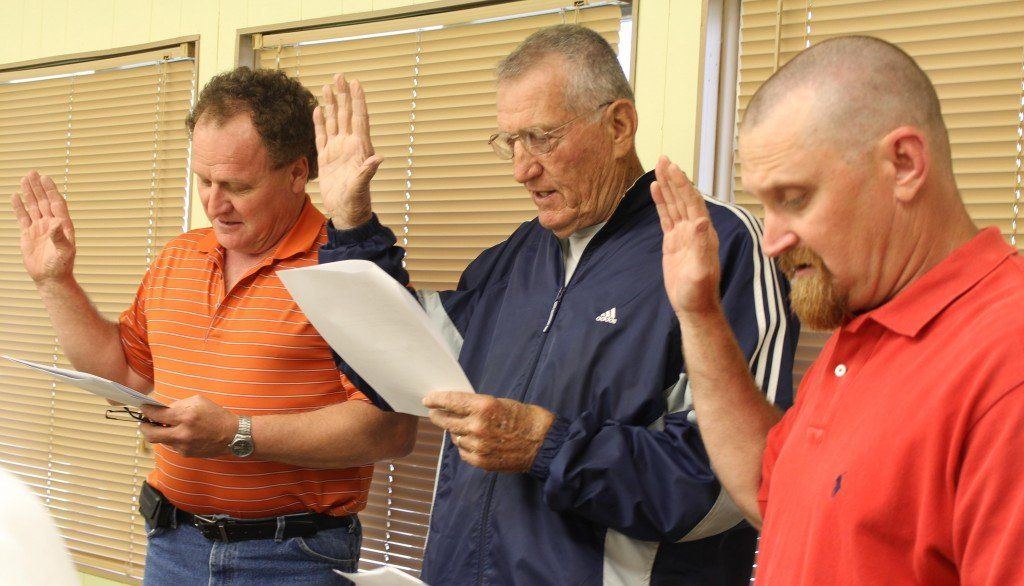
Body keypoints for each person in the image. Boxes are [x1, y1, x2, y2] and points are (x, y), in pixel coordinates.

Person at [315, 25, 798, 584]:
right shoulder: (514, 258)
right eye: (510, 142)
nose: (523, 169)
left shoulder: (716, 244)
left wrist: (547, 446)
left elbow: (727, 491)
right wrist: (351, 222)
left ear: (619, 125)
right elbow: (396, 365)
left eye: (542, 138)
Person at [11, 67, 417, 585]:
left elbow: (392, 430)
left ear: (297, 173)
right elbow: (126, 377)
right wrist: (55, 282)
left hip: (291, 560)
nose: (213, 203)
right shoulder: (180, 255)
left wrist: (237, 434)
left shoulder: (351, 266)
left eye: (238, 186)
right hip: (171, 546)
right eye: (204, 180)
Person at [654, 36, 1024, 585]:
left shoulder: (1006, 361)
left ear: (904, 164)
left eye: (795, 198)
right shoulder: (867, 320)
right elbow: (774, 493)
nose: (771, 237)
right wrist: (699, 312)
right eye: (763, 203)